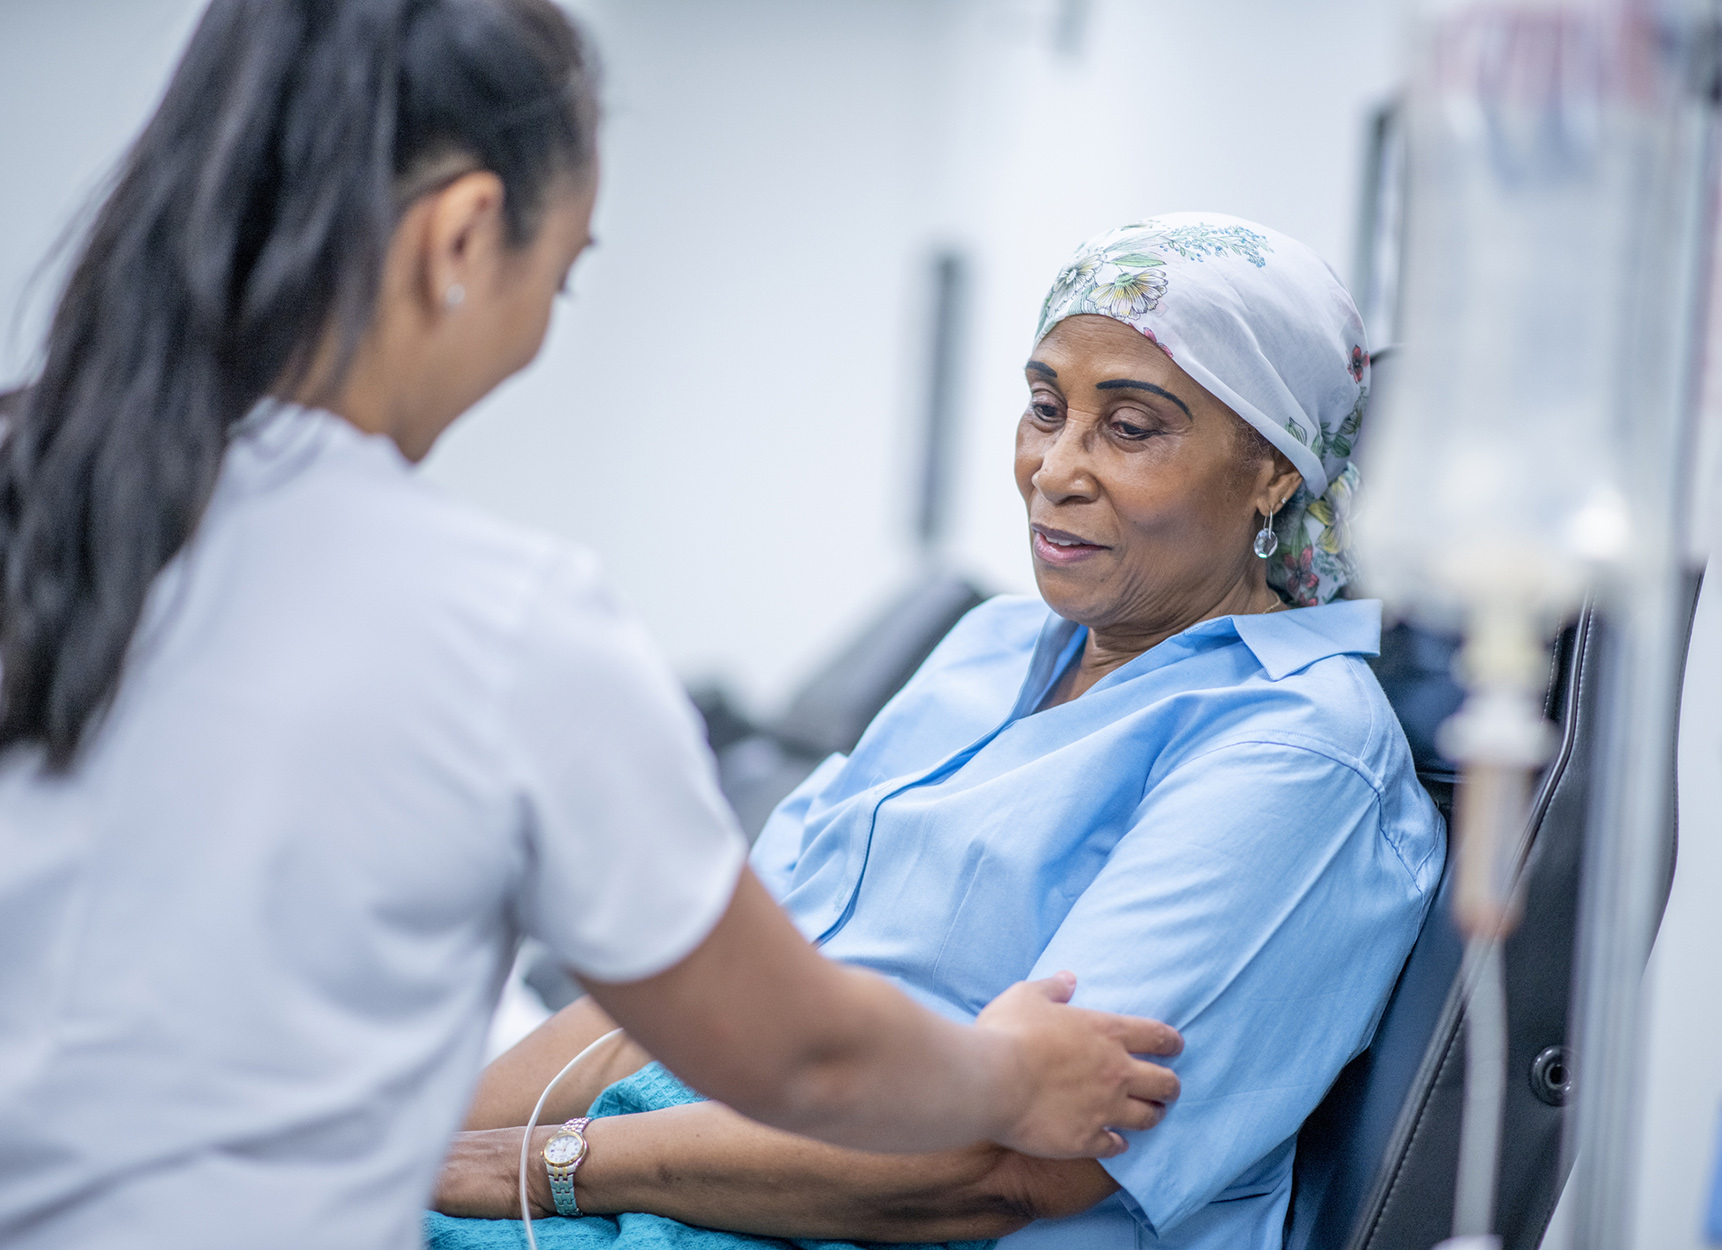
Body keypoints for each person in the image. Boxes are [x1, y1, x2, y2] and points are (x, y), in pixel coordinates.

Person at [0, 5, 1186, 1248]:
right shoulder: (500, 627)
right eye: (559, 274)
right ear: (462, 237)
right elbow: (802, 1051)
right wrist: (1013, 1073)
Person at [428, 214, 1445, 1250]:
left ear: (1274, 471)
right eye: (1045, 408)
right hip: (670, 1173)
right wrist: (413, 1151)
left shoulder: (1294, 751)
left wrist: (540, 1164)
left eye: (1130, 427)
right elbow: (712, 983)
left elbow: (1007, 1169)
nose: (1057, 467)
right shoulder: (993, 645)